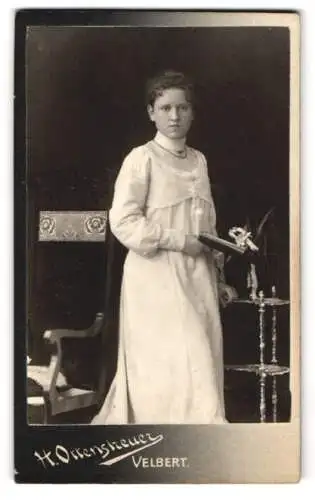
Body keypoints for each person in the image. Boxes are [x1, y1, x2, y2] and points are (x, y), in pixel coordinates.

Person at [92, 70, 237, 425]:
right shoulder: (141, 158)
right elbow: (123, 222)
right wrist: (177, 241)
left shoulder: (199, 160)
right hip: (154, 275)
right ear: (151, 112)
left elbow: (207, 225)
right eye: (166, 107)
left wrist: (218, 277)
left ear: (192, 113)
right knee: (167, 366)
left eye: (183, 108)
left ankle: (200, 448)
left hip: (197, 275)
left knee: (202, 360)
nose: (174, 116)